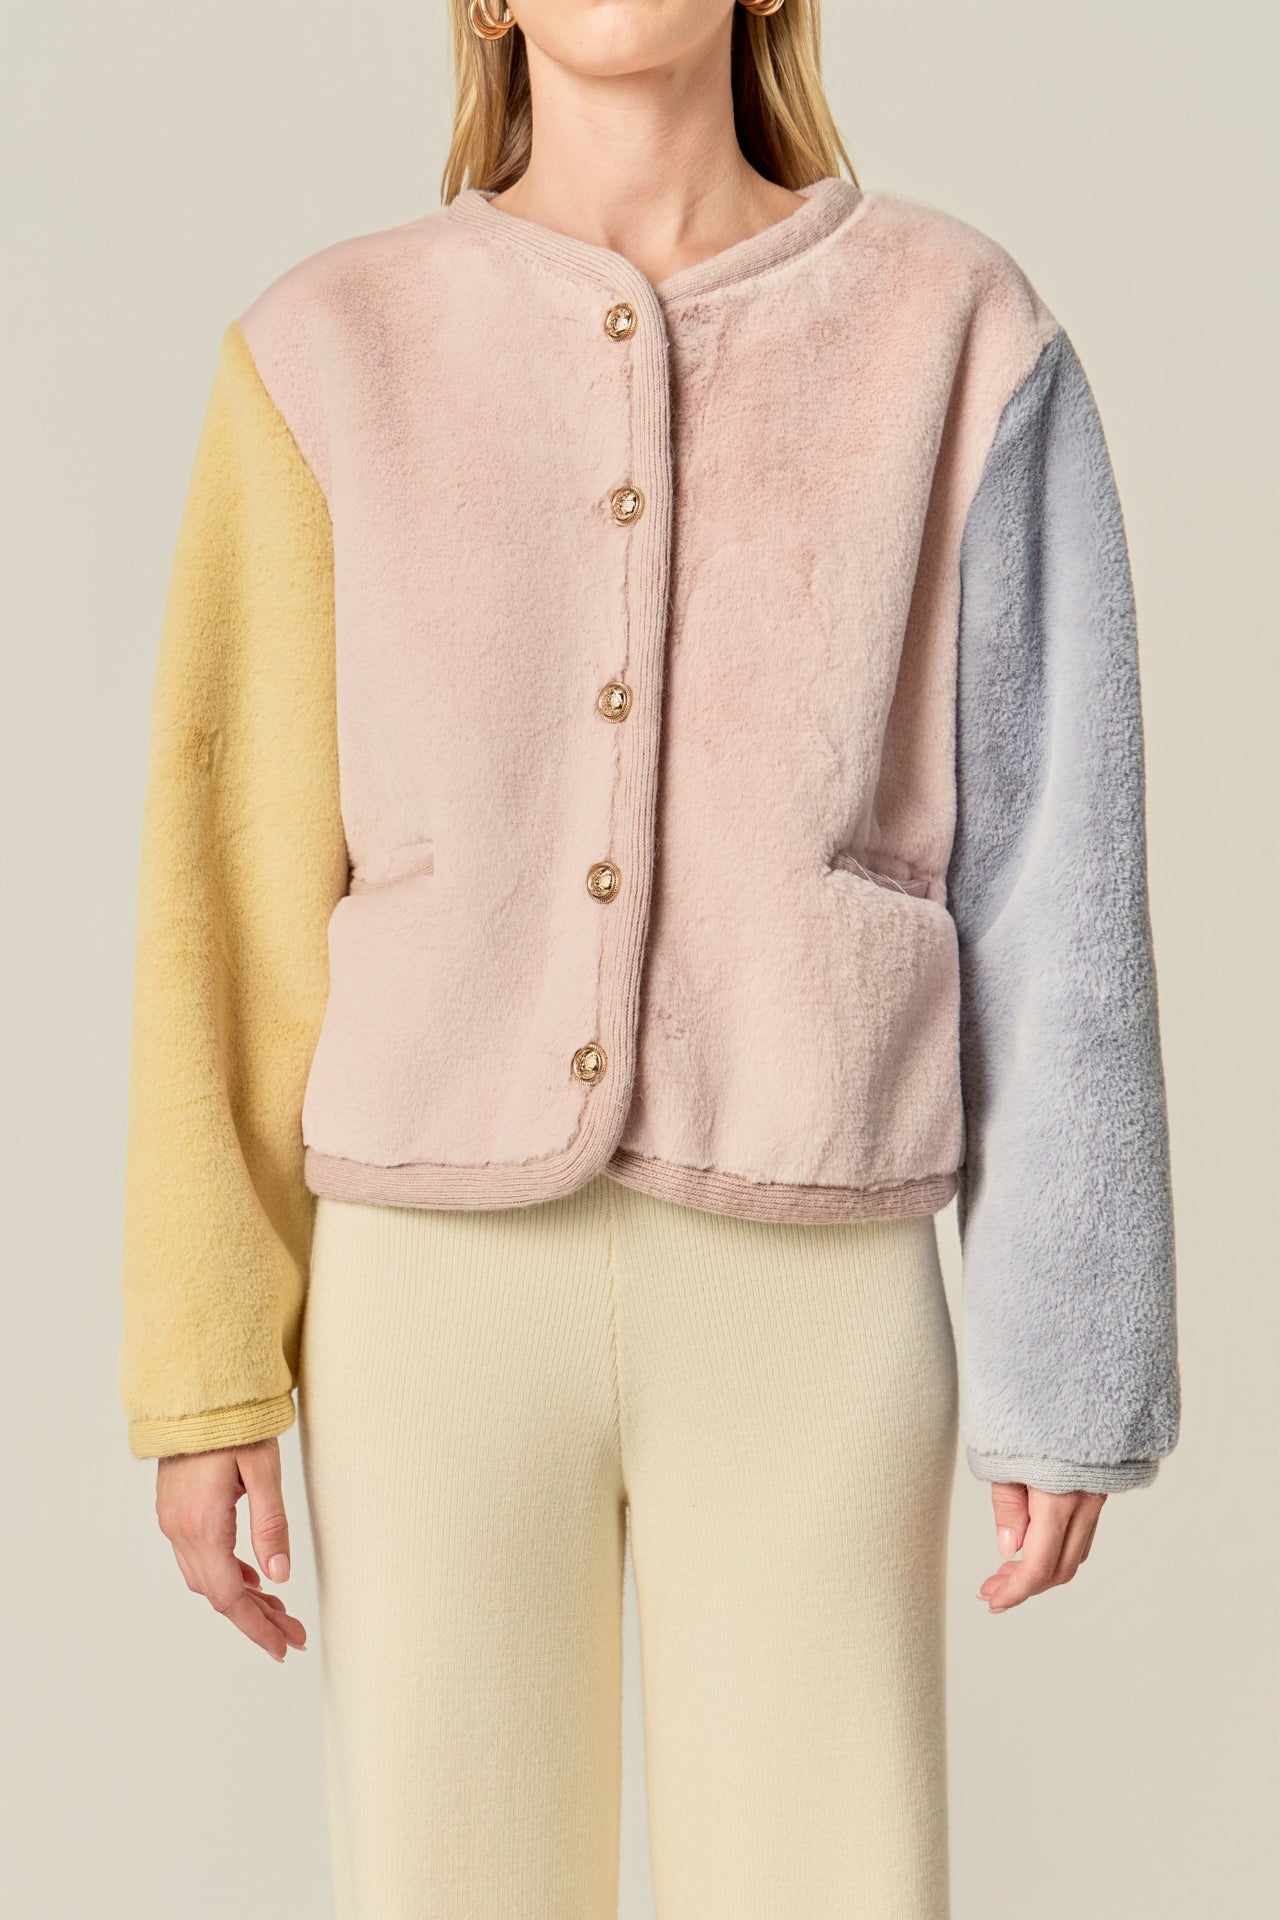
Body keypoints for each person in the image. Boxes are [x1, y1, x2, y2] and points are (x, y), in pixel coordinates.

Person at [119, 3, 1180, 1914]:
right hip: (429, 1302)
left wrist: (1070, 1352)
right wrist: (208, 1365)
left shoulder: (957, 331)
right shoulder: (325, 348)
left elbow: (1055, 870)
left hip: (818, 1298)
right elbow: (231, 882)